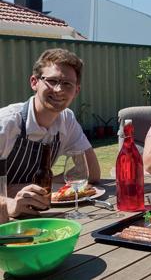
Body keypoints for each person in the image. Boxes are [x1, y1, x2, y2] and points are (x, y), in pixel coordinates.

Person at [0, 48, 101, 217]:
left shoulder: (66, 120)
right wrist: (9, 203)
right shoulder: (6, 124)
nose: (59, 89)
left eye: (67, 84)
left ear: (76, 90)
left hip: (36, 215)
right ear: (34, 82)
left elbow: (91, 173)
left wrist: (40, 186)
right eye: (52, 80)